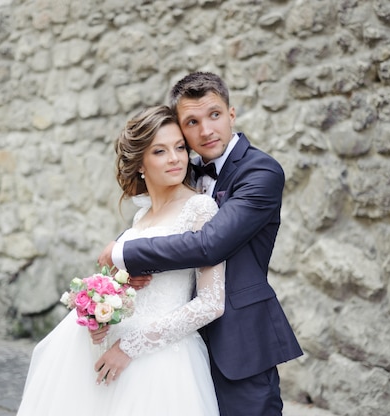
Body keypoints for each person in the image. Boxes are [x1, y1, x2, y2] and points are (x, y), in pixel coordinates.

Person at [97, 72, 303, 416]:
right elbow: (155, 219)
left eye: (215, 115)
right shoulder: (183, 167)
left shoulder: (261, 172)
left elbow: (211, 244)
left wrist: (125, 254)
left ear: (232, 114)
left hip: (239, 340)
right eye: (192, 122)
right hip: (177, 345)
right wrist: (125, 266)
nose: (206, 131)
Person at [16, 105, 225, 416]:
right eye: (160, 151)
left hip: (160, 360)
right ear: (140, 163)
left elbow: (211, 303)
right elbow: (125, 289)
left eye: (180, 147)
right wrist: (100, 317)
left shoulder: (200, 209)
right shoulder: (140, 216)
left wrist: (129, 348)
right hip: (107, 350)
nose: (176, 158)